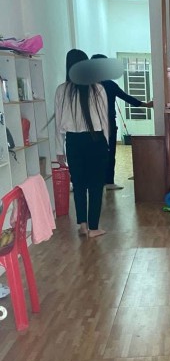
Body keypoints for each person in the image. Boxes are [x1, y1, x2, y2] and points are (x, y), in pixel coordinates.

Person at [55, 49, 109, 238]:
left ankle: (83, 225)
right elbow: (105, 121)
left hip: (73, 141)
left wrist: (59, 150)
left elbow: (58, 124)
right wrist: (107, 144)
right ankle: (94, 228)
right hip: (96, 140)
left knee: (78, 185)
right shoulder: (98, 88)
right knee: (95, 185)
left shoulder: (62, 90)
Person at [91, 54, 153, 190]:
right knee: (109, 153)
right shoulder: (109, 85)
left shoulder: (87, 86)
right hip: (108, 124)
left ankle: (96, 182)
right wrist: (146, 105)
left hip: (90, 125)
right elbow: (127, 98)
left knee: (94, 154)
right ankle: (108, 182)